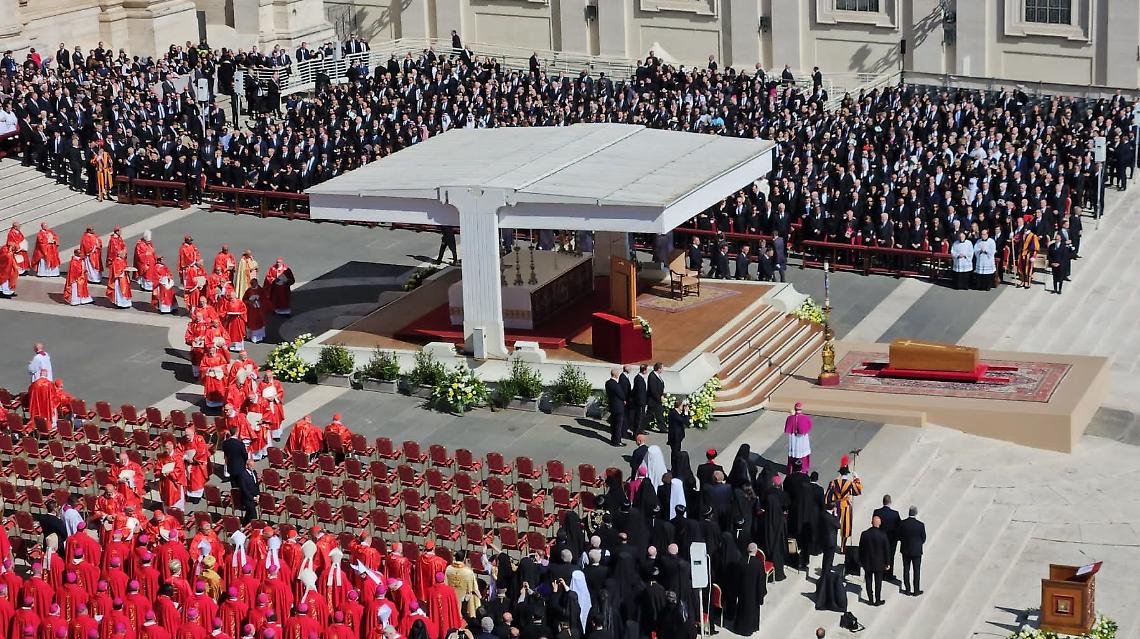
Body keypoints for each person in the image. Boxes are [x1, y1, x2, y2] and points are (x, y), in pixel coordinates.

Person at [825, 455, 862, 553]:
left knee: (834, 525)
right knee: (846, 527)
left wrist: (830, 504)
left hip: (836, 506)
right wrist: (856, 478)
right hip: (846, 505)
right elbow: (858, 491)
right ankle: (842, 547)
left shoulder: (833, 482)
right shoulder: (850, 483)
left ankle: (832, 543)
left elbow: (828, 497)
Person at [857, 515, 889, 606]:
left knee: (868, 581)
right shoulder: (883, 535)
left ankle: (870, 599)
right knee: (878, 582)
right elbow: (887, 550)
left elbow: (861, 549)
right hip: (879, 563)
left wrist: (860, 561)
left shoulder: (865, 534)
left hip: (867, 562)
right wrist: (887, 562)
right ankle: (877, 599)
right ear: (880, 523)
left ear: (871, 522)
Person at [898, 506, 926, 596]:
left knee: (906, 569)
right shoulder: (920, 525)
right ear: (916, 513)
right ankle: (916, 590)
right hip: (917, 551)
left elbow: (899, 536)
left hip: (905, 550)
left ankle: (907, 590)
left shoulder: (902, 523)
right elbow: (923, 538)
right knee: (916, 571)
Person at [872, 495, 901, 581]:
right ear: (890, 502)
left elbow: (874, 523)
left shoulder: (877, 512)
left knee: (880, 555)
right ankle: (889, 575)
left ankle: (881, 574)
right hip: (891, 539)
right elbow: (899, 526)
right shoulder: (895, 514)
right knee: (891, 556)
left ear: (883, 502)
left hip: (879, 537)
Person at [784, 401, 812, 473]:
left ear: (794, 409)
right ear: (801, 409)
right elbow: (809, 426)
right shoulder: (805, 418)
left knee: (793, 455)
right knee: (803, 455)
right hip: (802, 440)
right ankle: (803, 469)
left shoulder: (790, 418)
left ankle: (791, 469)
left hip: (793, 440)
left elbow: (788, 426)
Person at [666, 399, 689, 473]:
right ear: (679, 406)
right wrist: (686, 412)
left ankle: (675, 467)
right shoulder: (674, 414)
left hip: (677, 437)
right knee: (675, 453)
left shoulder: (675, 412)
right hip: (675, 437)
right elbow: (685, 421)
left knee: (676, 452)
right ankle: (674, 468)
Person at [604, 369, 626, 447]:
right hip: (618, 407)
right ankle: (617, 441)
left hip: (612, 405)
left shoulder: (608, 383)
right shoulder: (616, 384)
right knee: (618, 425)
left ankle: (613, 439)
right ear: (616, 375)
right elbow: (621, 395)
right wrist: (624, 399)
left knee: (613, 424)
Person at [236, 460, 259, 525]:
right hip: (247, 499)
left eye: (253, 466)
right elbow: (244, 489)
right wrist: (253, 498)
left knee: (249, 512)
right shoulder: (243, 475)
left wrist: (258, 495)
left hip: (255, 496)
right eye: (251, 466)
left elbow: (256, 485)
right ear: (247, 466)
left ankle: (244, 523)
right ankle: (256, 526)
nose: (253, 467)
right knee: (253, 514)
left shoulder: (254, 472)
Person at [646, 362, 665, 430]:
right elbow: (653, 389)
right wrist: (659, 398)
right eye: (662, 368)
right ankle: (662, 428)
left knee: (654, 414)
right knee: (655, 414)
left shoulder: (656, 375)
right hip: (654, 400)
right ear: (659, 369)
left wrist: (661, 395)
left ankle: (662, 427)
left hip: (656, 399)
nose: (663, 370)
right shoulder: (652, 376)